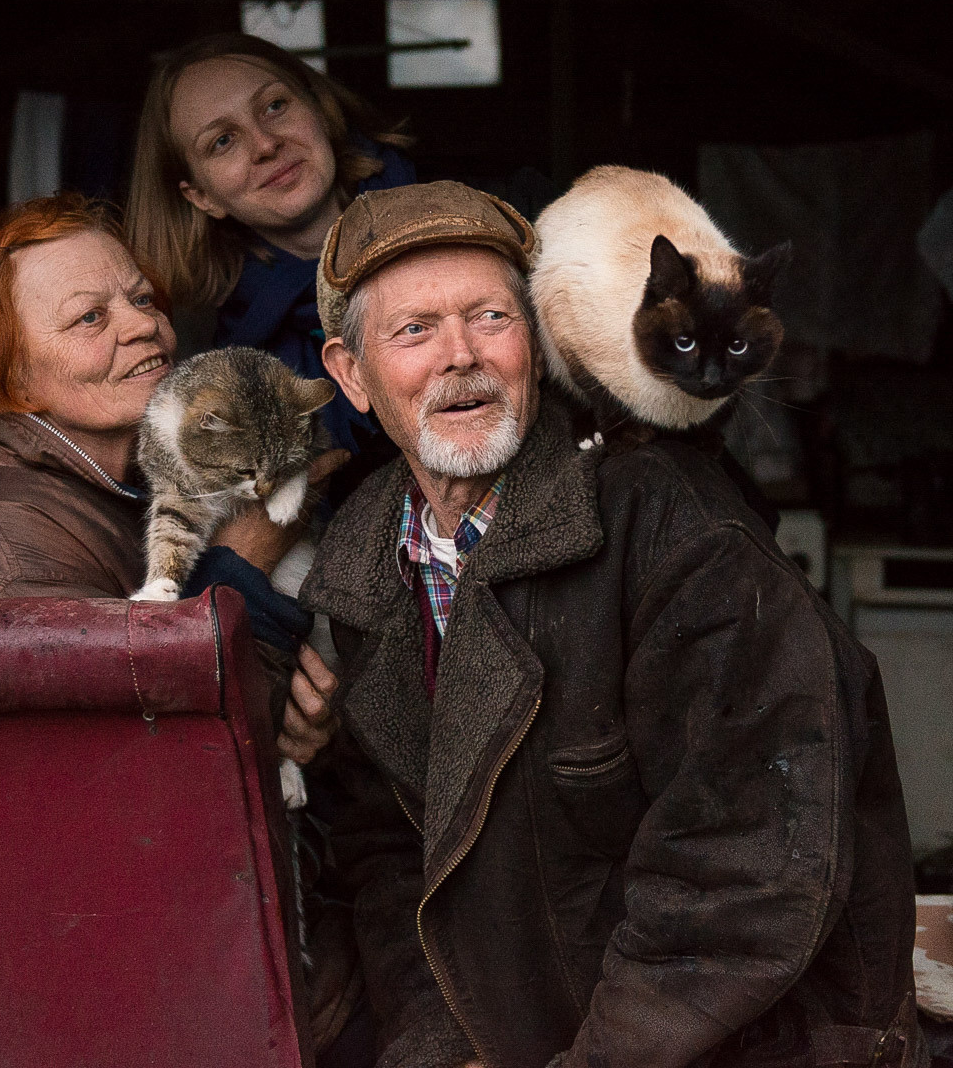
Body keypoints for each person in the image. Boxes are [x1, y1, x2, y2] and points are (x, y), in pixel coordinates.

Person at [300, 180, 924, 1068]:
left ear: (541, 338)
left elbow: (746, 864)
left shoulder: (673, 524)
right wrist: (436, 1050)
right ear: (352, 376)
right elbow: (391, 858)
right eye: (413, 330)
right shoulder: (367, 570)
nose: (460, 357)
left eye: (490, 317)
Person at [0, 192, 341, 769]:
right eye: (90, 317)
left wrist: (295, 728)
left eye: (142, 298)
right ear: (13, 375)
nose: (145, 325)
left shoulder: (140, 475)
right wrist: (243, 566)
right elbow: (148, 766)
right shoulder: (10, 546)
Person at [125, 32, 415, 456]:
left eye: (275, 106)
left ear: (320, 108)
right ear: (201, 197)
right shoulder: (229, 371)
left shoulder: (497, 216)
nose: (265, 144)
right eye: (222, 141)